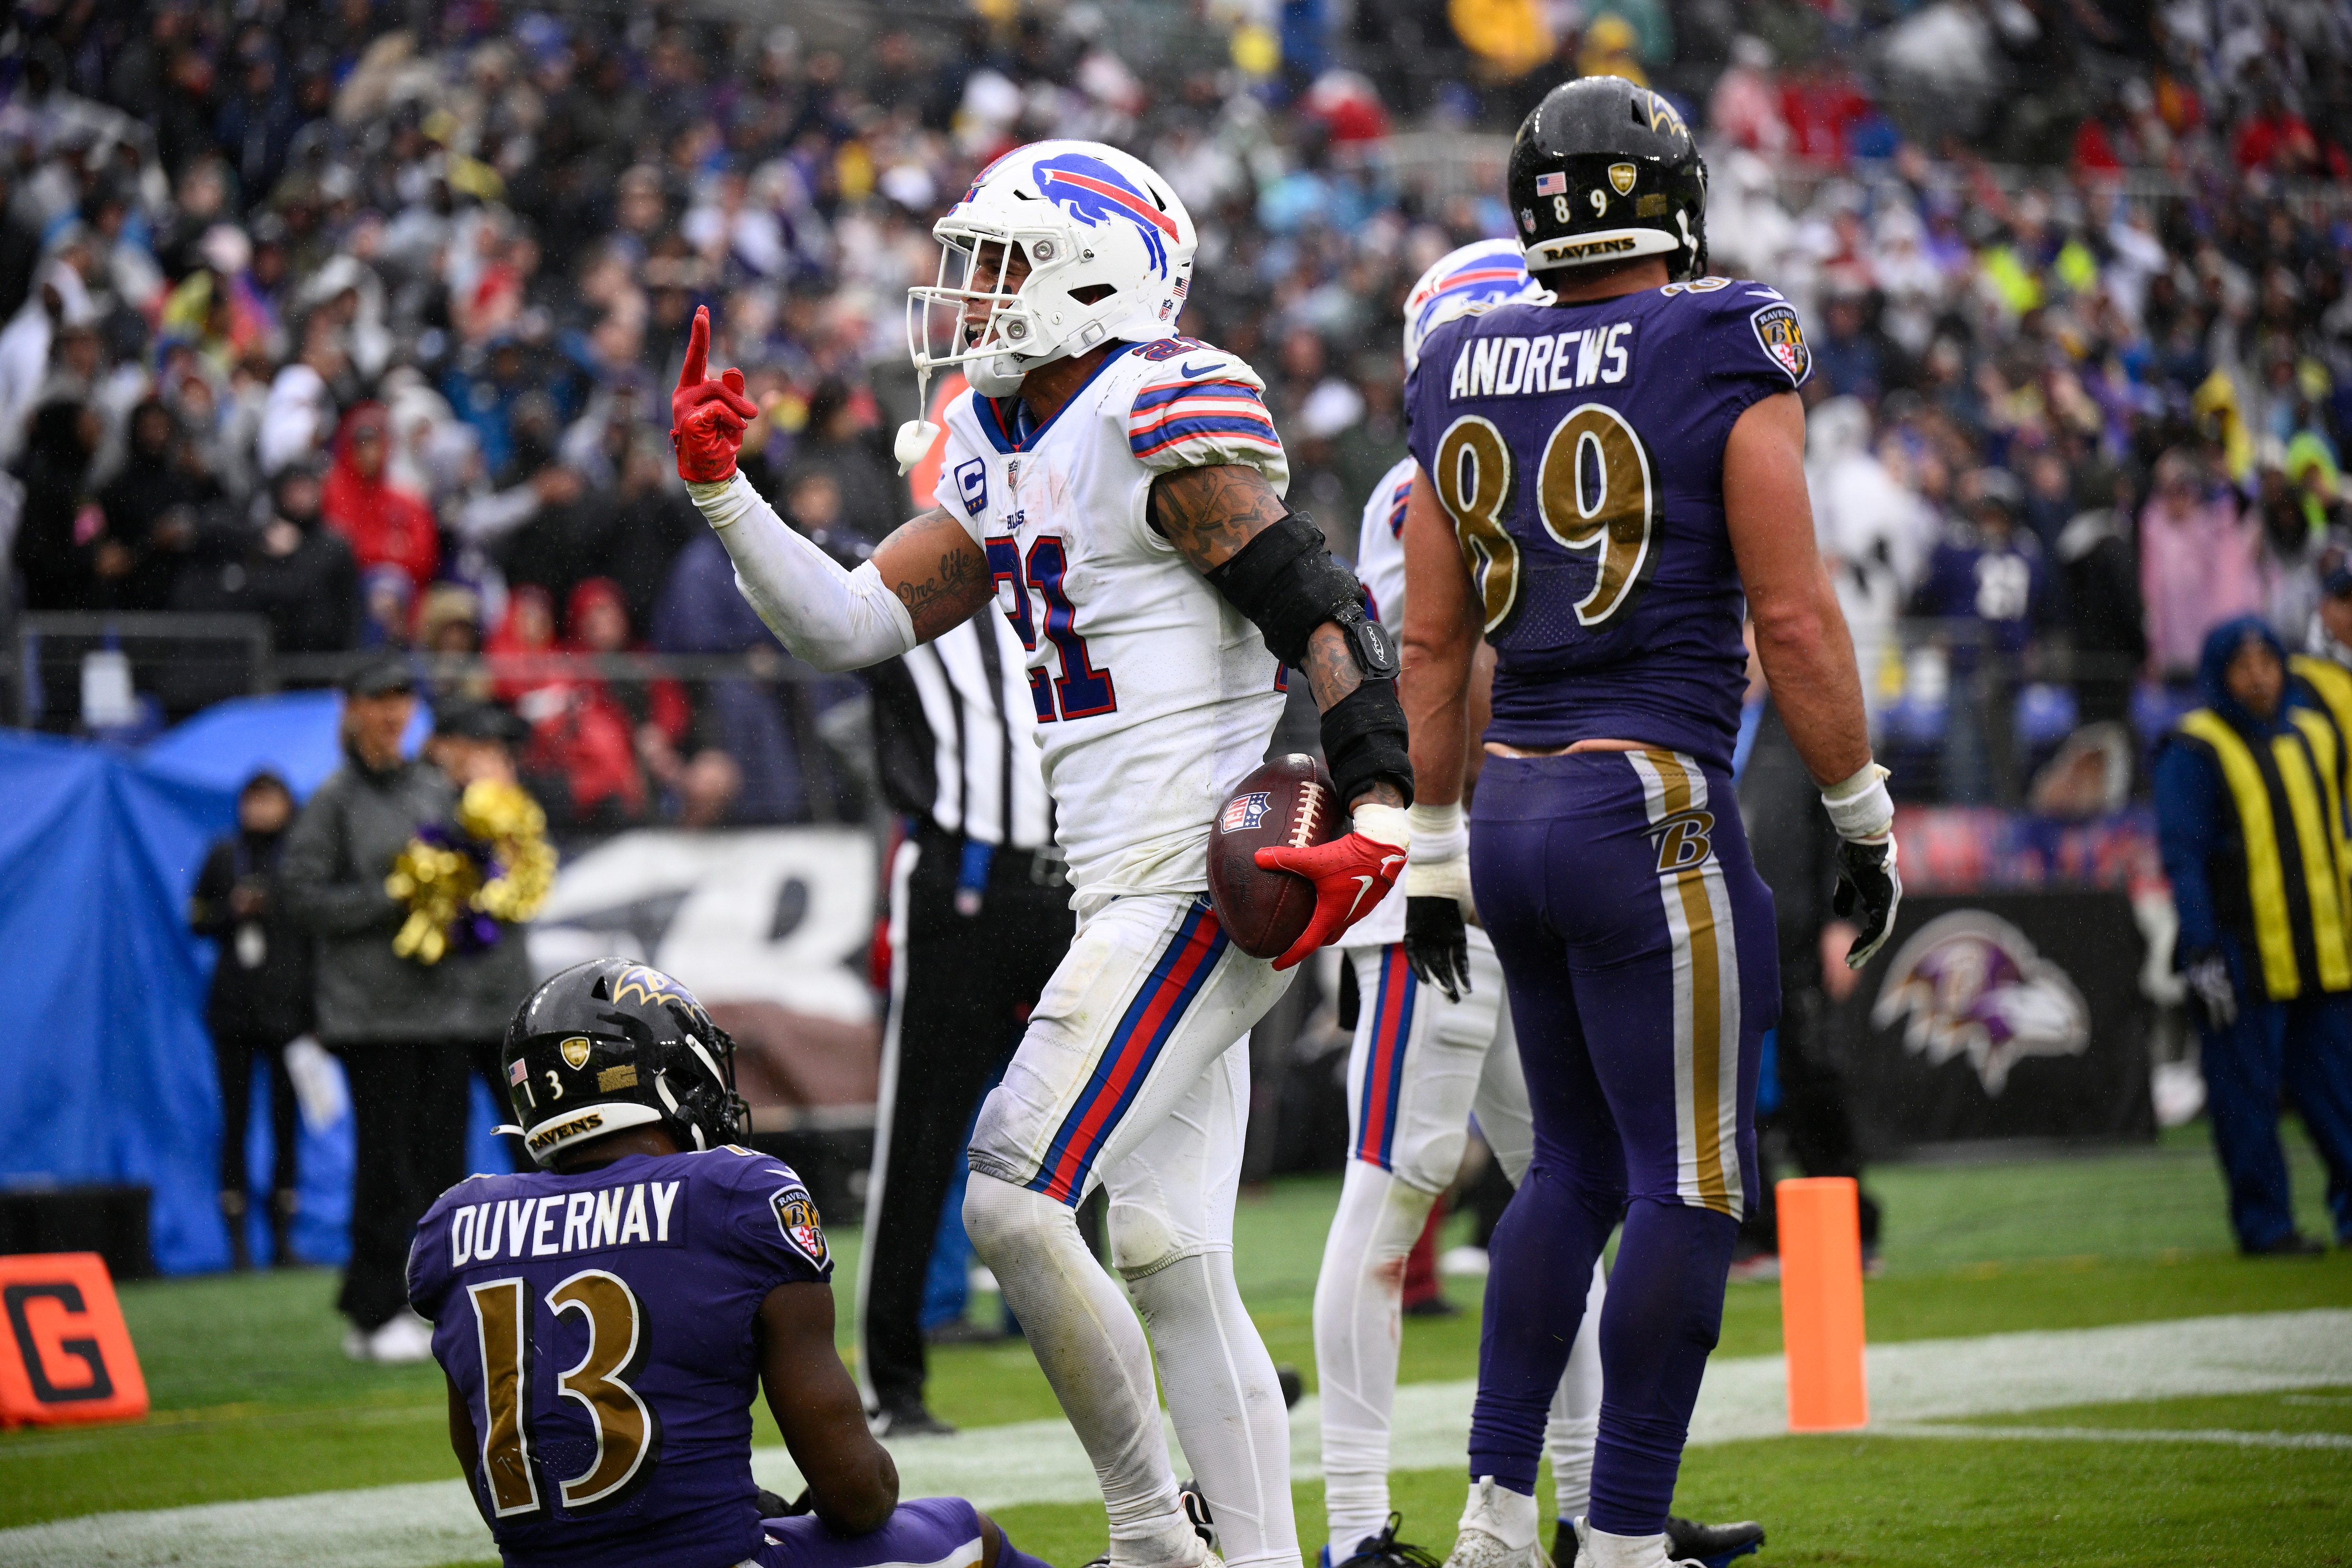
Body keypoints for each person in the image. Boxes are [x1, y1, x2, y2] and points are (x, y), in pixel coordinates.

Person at [670, 137, 1418, 1568]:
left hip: (1202, 878)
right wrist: (724, 493)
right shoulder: (995, 438)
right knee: (1167, 1251)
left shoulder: (1154, 402)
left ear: (1096, 272)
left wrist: (1376, 800)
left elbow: (1317, 605)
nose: (971, 292)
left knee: (1013, 1191)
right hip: (1116, 891)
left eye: (1002, 262)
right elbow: (844, 627)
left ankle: (1151, 1528)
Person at [1395, 80, 1898, 1568]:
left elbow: (1432, 648)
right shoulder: (1719, 332)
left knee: (1565, 1170)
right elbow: (1792, 620)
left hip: (1511, 803)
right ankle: (1618, 1538)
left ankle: (1493, 1519)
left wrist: (1430, 845)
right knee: (1692, 1180)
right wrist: (1858, 809)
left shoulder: (1455, 353)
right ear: (1666, 202)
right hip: (1649, 799)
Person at [1315, 240, 1760, 1568]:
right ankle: (1354, 1526)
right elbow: (1437, 682)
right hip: (1440, 867)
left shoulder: (1451, 458)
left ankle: (1586, 1502)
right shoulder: (1420, 491)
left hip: (1510, 857)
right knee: (1394, 1190)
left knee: (1570, 1183)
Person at [407, 956, 1064, 1568]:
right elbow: (858, 1496)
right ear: (671, 1083)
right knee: (966, 1531)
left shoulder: (457, 1224)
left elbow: (498, 1478)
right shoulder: (734, 1196)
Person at [852, 470, 1073, 1439]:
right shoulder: (916, 588)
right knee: (921, 1139)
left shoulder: (1081, 577)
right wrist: (731, 494)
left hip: (1075, 883)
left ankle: (1155, 1364)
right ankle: (892, 1382)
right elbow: (819, 612)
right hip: (961, 884)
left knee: (1115, 1138)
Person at [280, 656, 536, 1362]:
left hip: (442, 1011)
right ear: (351, 709)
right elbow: (299, 896)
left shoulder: (433, 787)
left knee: (444, 1168)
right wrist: (389, 896)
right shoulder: (333, 800)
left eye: (400, 700)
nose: (391, 713)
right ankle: (372, 1311)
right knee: (385, 1168)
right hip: (371, 1016)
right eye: (377, 701)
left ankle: (436, 1302)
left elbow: (471, 874)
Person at [2152, 617, 2352, 1255]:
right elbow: (2182, 856)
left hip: (2325, 951)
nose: (2260, 676)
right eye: (2244, 665)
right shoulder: (2195, 747)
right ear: (2220, 673)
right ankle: (2267, 1227)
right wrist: (2203, 950)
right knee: (2247, 1102)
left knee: (2340, 1093)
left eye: (2269, 661)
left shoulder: (2318, 734)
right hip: (2243, 957)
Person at [188, 770, 313, 1270]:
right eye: (252, 800)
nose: (261, 810)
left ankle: (284, 1242)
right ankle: (238, 1248)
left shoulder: (301, 860)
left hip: (289, 1017)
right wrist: (231, 912)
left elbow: (313, 939)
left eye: (271, 800)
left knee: (288, 1126)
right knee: (235, 1123)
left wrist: (314, 1015)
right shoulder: (224, 856)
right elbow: (196, 920)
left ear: (287, 804)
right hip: (234, 1015)